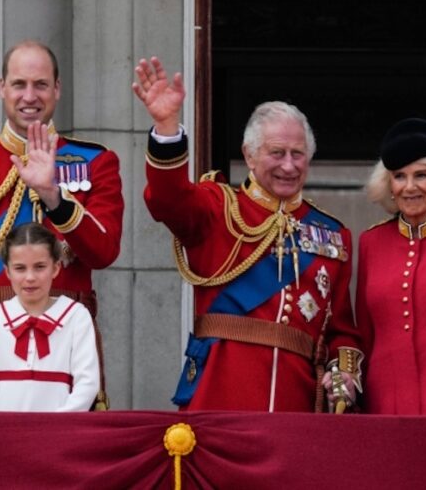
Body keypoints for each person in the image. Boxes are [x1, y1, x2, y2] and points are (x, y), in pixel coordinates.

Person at [133, 56, 362, 412]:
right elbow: (168, 198)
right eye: (277, 153)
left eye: (298, 154)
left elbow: (342, 331)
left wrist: (344, 374)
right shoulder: (217, 207)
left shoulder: (332, 234)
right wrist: (166, 129)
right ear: (249, 156)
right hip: (220, 396)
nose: (289, 165)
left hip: (297, 403)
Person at [0, 40, 123, 408]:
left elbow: (104, 251)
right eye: (19, 84)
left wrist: (55, 198)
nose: (29, 96)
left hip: (67, 343)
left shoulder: (96, 161)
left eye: (40, 84)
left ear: (57, 89)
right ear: (2, 87)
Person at [0, 223, 99, 411]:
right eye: (20, 268)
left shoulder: (76, 315)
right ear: (8, 272)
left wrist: (58, 425)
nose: (30, 277)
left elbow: (87, 384)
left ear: (55, 268)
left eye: (39, 267)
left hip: (55, 429)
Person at [354, 118, 426, 414]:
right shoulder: (371, 242)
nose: (410, 187)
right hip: (385, 400)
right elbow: (364, 334)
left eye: (421, 175)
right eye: (399, 177)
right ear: (389, 186)